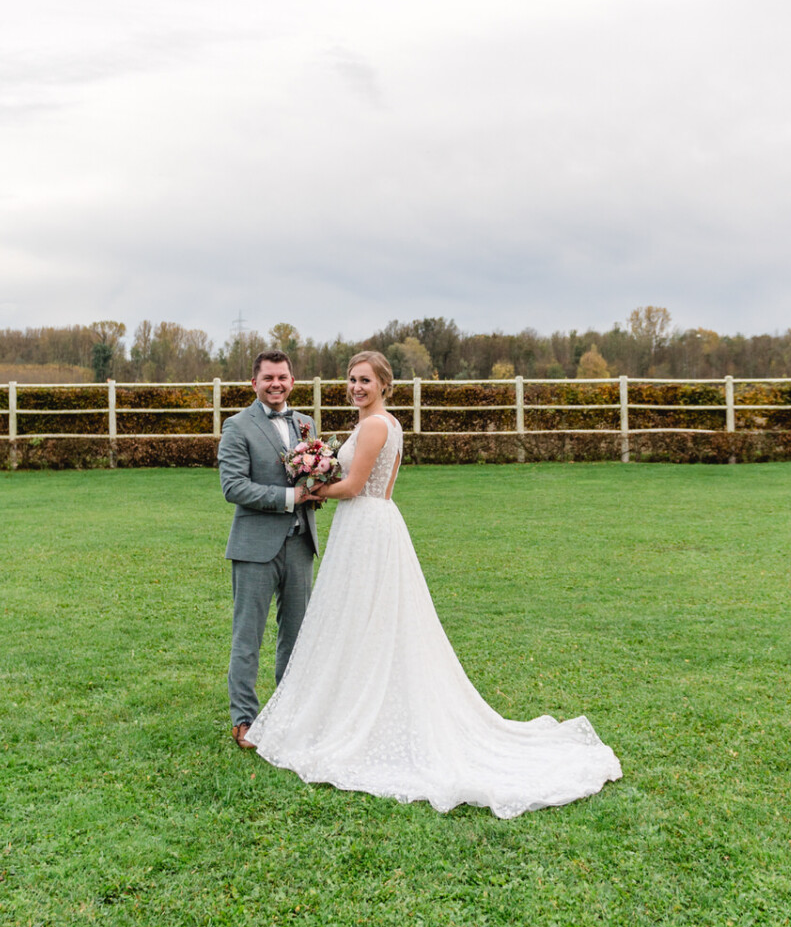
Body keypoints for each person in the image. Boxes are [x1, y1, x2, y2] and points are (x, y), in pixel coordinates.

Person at [246, 350, 621, 818]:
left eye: (365, 380)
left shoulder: (377, 425)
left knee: (364, 615)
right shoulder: (385, 424)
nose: (356, 387)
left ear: (384, 384)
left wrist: (311, 487)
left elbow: (355, 484)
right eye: (351, 379)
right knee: (362, 617)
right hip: (372, 525)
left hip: (365, 523)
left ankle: (357, 708)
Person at [218, 348, 320, 748]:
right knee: (248, 637)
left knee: (296, 636)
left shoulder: (306, 424)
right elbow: (233, 487)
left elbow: (315, 473)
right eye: (268, 378)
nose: (276, 384)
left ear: (292, 381)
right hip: (255, 547)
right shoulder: (237, 426)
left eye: (282, 377)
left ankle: (288, 713)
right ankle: (244, 720)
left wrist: (318, 489)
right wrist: (292, 496)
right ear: (254, 383)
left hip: (300, 545)